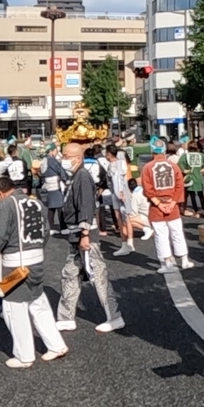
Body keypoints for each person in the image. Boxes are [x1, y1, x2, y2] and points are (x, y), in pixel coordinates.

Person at [0, 176, 69, 367]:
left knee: (13, 308)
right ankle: (56, 345)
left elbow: (0, 236)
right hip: (36, 259)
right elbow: (45, 232)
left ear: (0, 193)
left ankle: (24, 355)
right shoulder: (35, 202)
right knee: (38, 303)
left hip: (15, 264)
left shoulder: (6, 205)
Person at [56, 142, 124, 333]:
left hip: (85, 235)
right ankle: (66, 317)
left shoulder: (83, 177)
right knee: (70, 273)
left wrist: (85, 234)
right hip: (75, 234)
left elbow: (87, 206)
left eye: (66, 156)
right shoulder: (74, 176)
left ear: (77, 158)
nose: (63, 159)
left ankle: (114, 316)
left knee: (97, 275)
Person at [139, 139, 193, 273]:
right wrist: (173, 202)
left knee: (160, 234)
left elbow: (147, 189)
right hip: (172, 204)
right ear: (164, 150)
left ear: (152, 151)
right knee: (177, 232)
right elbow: (180, 186)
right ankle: (185, 260)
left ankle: (167, 263)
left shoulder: (147, 167)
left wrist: (159, 204)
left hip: (156, 206)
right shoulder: (173, 166)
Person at [38, 144, 66, 234]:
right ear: (51, 151)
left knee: (51, 207)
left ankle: (51, 226)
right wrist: (65, 179)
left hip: (48, 185)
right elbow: (59, 170)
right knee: (60, 206)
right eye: (55, 150)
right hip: (55, 185)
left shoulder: (44, 160)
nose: (56, 152)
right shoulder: (51, 160)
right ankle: (63, 227)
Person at [178, 141, 204, 217]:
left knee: (192, 195)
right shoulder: (200, 155)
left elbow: (179, 164)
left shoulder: (185, 156)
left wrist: (184, 170)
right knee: (200, 194)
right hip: (198, 177)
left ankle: (196, 211)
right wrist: (203, 168)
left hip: (190, 177)